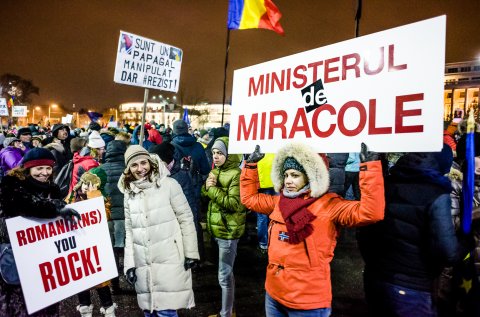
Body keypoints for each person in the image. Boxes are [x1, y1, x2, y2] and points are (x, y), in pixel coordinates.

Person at [240, 142, 385, 316]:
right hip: (273, 293)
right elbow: (249, 199)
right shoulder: (279, 202)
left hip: (307, 302)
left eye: (294, 175)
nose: (288, 180)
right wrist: (250, 165)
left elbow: (370, 213)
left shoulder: (330, 205)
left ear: (310, 176)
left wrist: (370, 169)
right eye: (285, 175)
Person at [357, 144, 462, 317]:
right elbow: (447, 251)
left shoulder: (387, 182)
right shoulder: (436, 193)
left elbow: (364, 232)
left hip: (375, 278)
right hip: (413, 286)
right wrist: (464, 246)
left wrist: (373, 263)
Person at [118, 145, 199, 316]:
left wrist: (191, 252)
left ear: (150, 162)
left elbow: (186, 218)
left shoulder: (169, 185)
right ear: (128, 169)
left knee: (166, 312)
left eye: (143, 163)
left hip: (169, 258)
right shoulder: (129, 193)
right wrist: (130, 264)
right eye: (134, 165)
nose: (140, 169)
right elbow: (130, 231)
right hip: (143, 263)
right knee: (149, 311)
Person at [0, 148, 80, 317]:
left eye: (49, 168)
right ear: (27, 168)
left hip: (44, 258)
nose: (45, 173)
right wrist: (56, 209)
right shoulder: (10, 184)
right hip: (16, 257)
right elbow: (25, 204)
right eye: (39, 168)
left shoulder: (53, 188)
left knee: (47, 305)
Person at [202, 137, 246, 317]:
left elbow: (235, 204)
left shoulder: (236, 174)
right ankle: (228, 310)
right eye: (213, 153)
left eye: (220, 153)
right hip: (219, 229)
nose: (216, 156)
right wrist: (206, 187)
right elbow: (206, 193)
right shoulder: (217, 170)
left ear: (229, 154)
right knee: (226, 275)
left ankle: (226, 314)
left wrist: (211, 189)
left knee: (224, 276)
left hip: (228, 231)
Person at [69, 170, 117, 317]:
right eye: (85, 183)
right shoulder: (72, 197)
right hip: (78, 247)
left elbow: (104, 215)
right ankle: (85, 308)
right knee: (81, 280)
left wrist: (94, 196)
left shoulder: (101, 199)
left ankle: (108, 308)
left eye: (92, 184)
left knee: (101, 281)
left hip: (95, 247)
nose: (87, 187)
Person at [149, 142, 205, 263]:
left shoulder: (180, 176)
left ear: (166, 161)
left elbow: (189, 210)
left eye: (156, 162)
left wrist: (192, 251)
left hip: (177, 228)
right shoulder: (156, 174)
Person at [98, 140, 127, 294]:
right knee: (131, 252)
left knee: (112, 254)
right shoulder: (129, 170)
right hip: (127, 218)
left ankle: (114, 286)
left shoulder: (99, 170)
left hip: (107, 218)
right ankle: (135, 281)